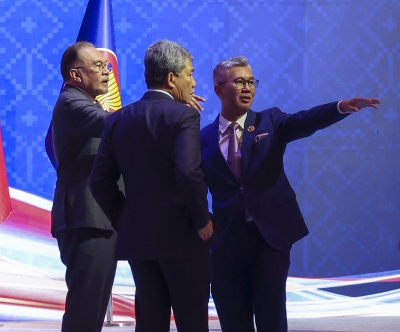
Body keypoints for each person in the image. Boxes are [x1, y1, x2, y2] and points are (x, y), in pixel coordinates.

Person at [201, 56, 380, 332]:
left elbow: (305, 121)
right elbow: (192, 185)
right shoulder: (203, 138)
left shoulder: (269, 121)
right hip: (227, 242)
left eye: (251, 81)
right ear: (218, 89)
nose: (248, 87)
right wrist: (204, 220)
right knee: (233, 316)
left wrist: (339, 108)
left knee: (271, 316)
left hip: (270, 239)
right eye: (239, 81)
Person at [90, 39, 212, 332]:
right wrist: (201, 220)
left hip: (139, 240)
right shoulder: (184, 115)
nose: (194, 83)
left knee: (150, 321)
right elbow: (187, 172)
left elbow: (99, 181)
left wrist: (124, 217)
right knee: (192, 321)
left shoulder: (118, 119)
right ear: (172, 79)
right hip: (183, 235)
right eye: (190, 74)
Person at [50, 41, 117, 332]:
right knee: (85, 313)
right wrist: (159, 105)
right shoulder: (72, 102)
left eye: (107, 66)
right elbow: (111, 123)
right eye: (99, 66)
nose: (107, 73)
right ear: (76, 74)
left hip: (98, 218)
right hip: (85, 219)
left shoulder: (83, 102)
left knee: (92, 312)